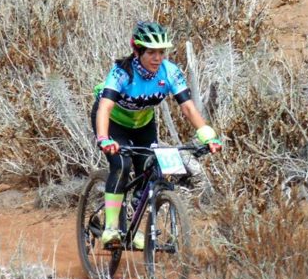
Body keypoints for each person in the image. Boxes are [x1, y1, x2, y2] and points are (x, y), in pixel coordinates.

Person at [92, 21, 222, 249]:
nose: (157, 58)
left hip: (143, 124)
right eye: (151, 52)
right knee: (121, 164)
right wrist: (104, 138)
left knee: (149, 172)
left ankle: (131, 228)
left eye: (161, 52)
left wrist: (207, 135)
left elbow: (188, 108)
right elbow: (105, 108)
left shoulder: (170, 72)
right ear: (137, 51)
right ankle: (111, 228)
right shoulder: (122, 72)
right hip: (114, 125)